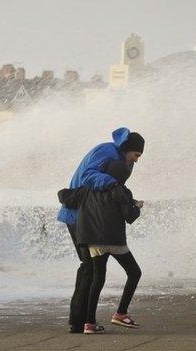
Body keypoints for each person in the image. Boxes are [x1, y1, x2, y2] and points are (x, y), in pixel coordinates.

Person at [57, 127, 145, 333]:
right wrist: (115, 185)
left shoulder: (115, 157)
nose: (136, 160)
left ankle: (81, 322)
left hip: (87, 214)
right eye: (136, 155)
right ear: (127, 149)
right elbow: (88, 175)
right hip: (80, 217)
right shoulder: (106, 151)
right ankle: (80, 322)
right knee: (90, 269)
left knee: (90, 269)